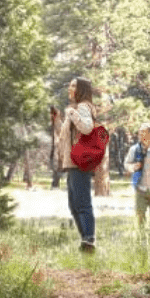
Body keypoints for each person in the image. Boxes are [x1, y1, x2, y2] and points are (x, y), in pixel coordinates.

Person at [56, 77, 97, 251]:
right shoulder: (75, 109)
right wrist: (59, 119)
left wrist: (71, 114)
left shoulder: (82, 107)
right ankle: (86, 241)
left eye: (73, 86)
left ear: (81, 89)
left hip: (80, 163)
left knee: (82, 203)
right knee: (74, 205)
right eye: (70, 85)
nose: (70, 88)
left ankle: (88, 240)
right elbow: (65, 136)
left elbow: (87, 128)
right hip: (72, 163)